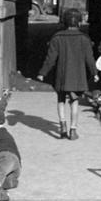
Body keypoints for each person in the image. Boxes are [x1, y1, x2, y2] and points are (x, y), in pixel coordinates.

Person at [37, 8, 97, 140]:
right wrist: (95, 73)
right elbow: (89, 58)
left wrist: (43, 72)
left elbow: (50, 58)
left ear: (64, 22)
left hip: (62, 74)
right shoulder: (84, 39)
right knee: (74, 101)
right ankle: (73, 130)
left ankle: (62, 124)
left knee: (61, 99)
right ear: (79, 23)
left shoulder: (57, 37)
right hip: (77, 76)